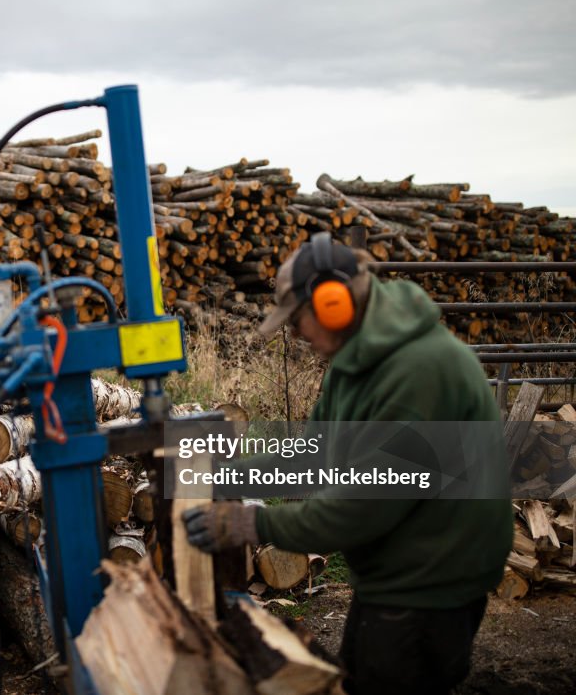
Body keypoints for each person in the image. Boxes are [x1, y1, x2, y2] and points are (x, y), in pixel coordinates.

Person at [181, 233, 512, 695]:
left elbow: (358, 508)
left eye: (297, 321)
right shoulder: (354, 361)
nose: (296, 335)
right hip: (396, 569)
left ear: (333, 303)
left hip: (433, 579)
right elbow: (315, 452)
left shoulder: (418, 371)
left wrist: (250, 523)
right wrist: (228, 474)